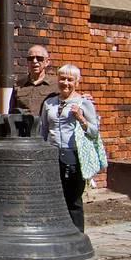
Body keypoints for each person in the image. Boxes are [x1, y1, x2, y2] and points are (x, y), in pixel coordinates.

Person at [40, 64, 99, 232]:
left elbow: (94, 132)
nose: (65, 82)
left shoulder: (84, 103)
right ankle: (56, 234)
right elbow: (43, 130)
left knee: (73, 199)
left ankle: (77, 235)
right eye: (62, 78)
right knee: (54, 198)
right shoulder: (49, 103)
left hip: (73, 156)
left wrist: (80, 118)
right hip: (52, 154)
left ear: (77, 82)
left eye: (70, 79)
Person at [10, 44, 59, 115]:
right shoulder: (18, 85)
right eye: (31, 58)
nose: (34, 61)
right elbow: (11, 112)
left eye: (39, 58)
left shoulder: (56, 85)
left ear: (47, 62)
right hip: (24, 125)